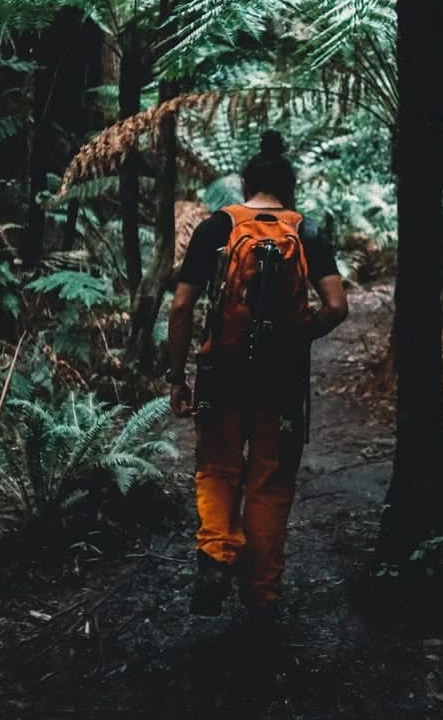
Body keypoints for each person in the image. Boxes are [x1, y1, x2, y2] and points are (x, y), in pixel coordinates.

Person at [166, 131, 348, 623]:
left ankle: (216, 557)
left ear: (244, 184)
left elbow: (182, 306)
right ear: (290, 188)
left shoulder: (216, 229)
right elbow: (337, 306)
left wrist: (176, 377)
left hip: (221, 375)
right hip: (282, 382)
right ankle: (261, 597)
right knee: (269, 482)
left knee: (218, 468)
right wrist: (299, 335)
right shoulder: (307, 232)